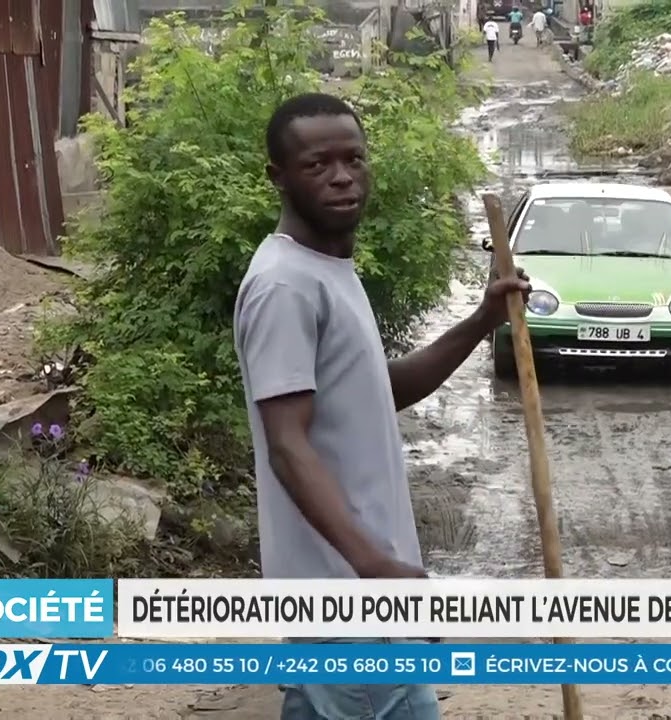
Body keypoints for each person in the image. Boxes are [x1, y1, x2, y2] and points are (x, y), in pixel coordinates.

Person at [235, 93, 528, 719]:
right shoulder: (285, 286)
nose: (343, 177)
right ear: (277, 177)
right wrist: (374, 566)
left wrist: (482, 320)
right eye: (318, 165)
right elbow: (288, 443)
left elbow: (379, 390)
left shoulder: (329, 271)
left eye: (354, 160)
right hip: (348, 602)